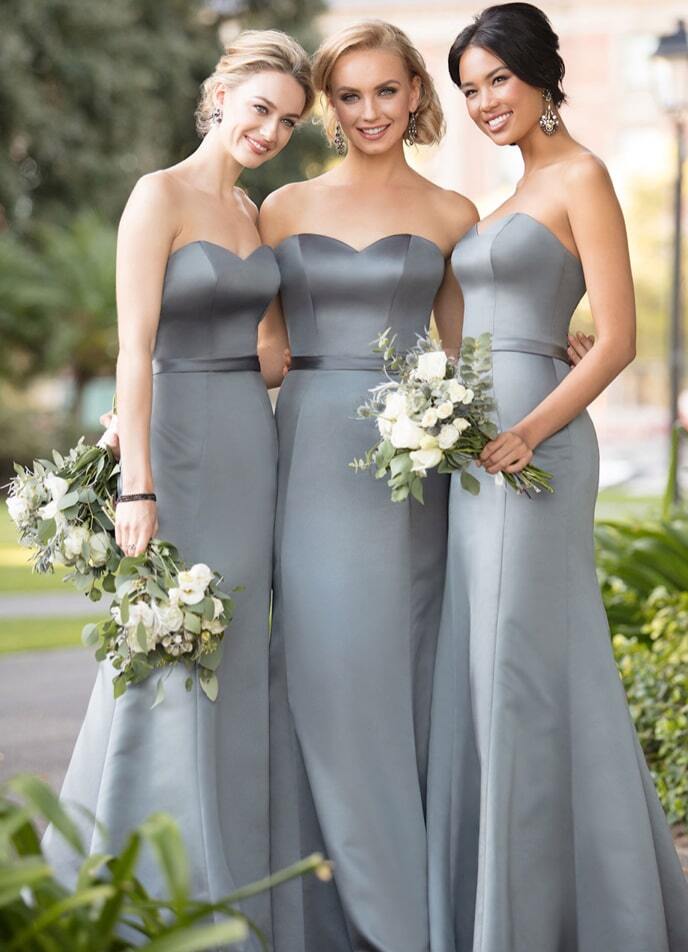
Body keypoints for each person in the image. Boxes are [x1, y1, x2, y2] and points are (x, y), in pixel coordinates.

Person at [427, 5, 688, 951]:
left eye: (497, 80)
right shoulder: (502, 202)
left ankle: (530, 923)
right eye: (469, 90)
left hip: (536, 456)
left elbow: (621, 341)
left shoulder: (582, 175)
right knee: (500, 670)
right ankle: (526, 906)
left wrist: (529, 429)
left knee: (520, 672)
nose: (483, 103)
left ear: (543, 73)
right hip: (479, 458)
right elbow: (487, 327)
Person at [43, 31, 314, 948]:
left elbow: (274, 353)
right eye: (261, 108)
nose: (272, 130)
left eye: (288, 120)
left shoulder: (258, 212)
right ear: (221, 95)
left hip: (252, 447)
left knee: (232, 659)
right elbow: (134, 345)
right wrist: (137, 483)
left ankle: (227, 889)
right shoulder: (157, 196)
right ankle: (136, 883)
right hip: (174, 457)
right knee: (162, 656)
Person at [256, 19, 477, 951]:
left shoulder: (454, 214)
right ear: (329, 105)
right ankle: (328, 912)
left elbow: (473, 357)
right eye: (349, 95)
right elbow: (260, 348)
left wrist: (557, 346)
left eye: (387, 91)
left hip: (405, 476)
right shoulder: (281, 206)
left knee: (398, 678)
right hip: (307, 461)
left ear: (417, 94)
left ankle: (410, 912)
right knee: (319, 671)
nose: (369, 111)